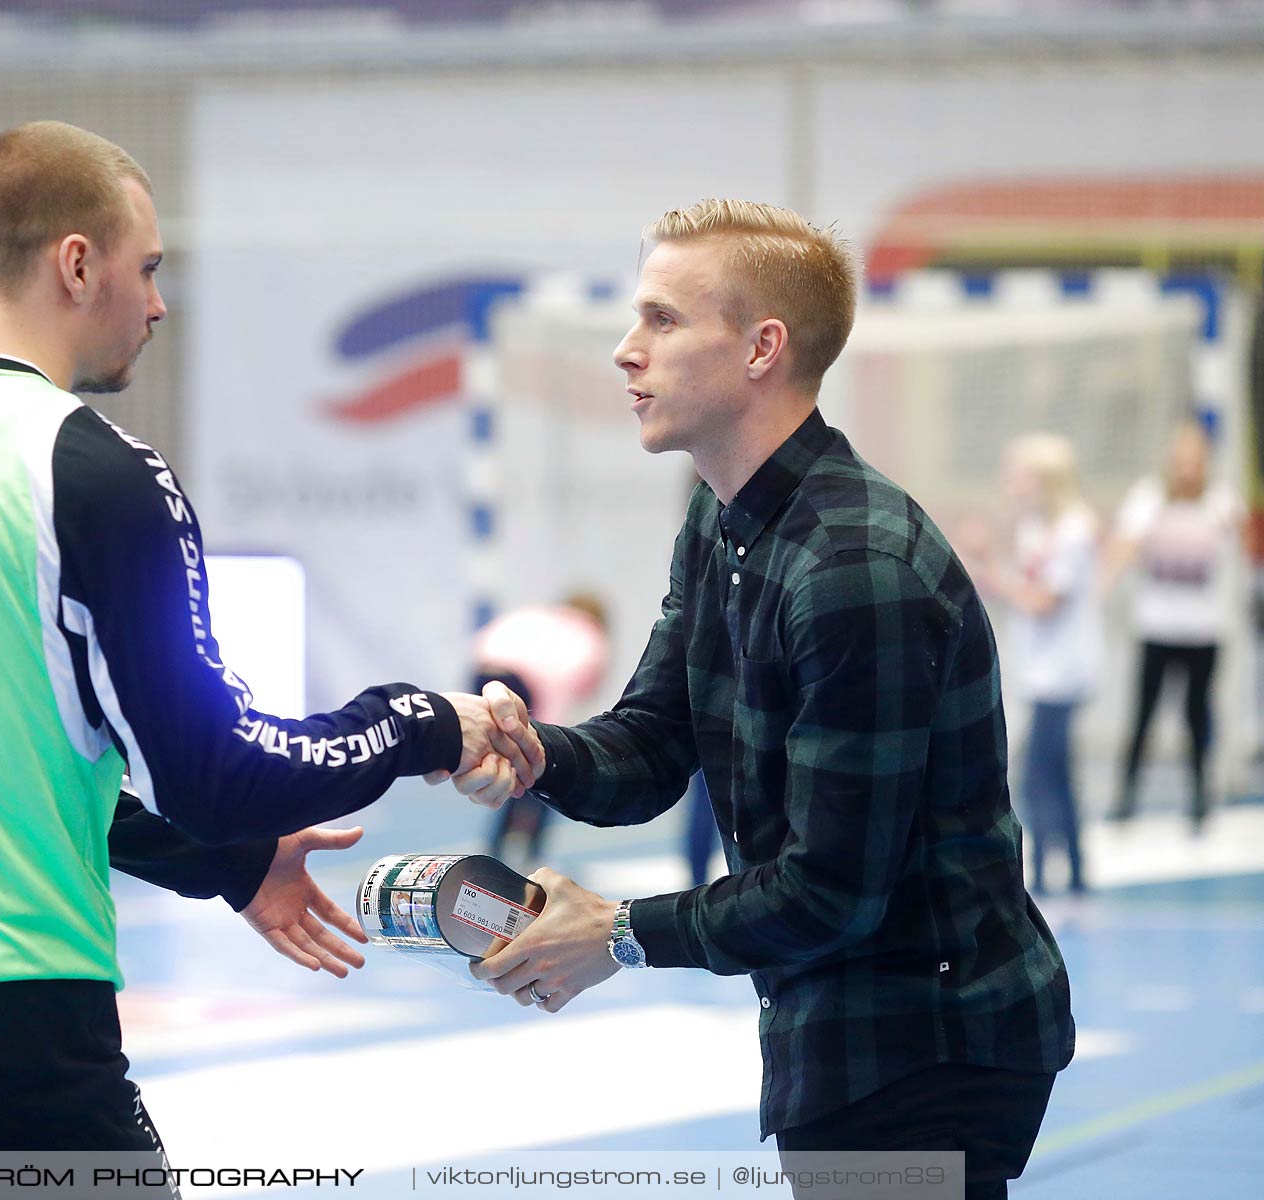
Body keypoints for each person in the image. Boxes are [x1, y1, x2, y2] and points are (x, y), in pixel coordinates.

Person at [0, 121, 541, 1195]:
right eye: (148, 268)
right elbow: (216, 772)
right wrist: (427, 722)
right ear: (78, 262)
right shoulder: (87, 469)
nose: (158, 304)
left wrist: (235, 865)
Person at [446, 200, 1073, 1200]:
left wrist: (612, 932)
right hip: (837, 1030)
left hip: (931, 1043)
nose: (624, 351)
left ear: (760, 349)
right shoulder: (720, 519)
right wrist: (534, 754)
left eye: (661, 320)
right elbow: (653, 743)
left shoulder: (854, 567)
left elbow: (830, 890)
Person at [1106, 421, 1245, 831]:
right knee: (1144, 713)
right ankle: (1126, 795)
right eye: (1180, 461)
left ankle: (1200, 797)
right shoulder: (1148, 500)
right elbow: (1123, 547)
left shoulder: (1222, 503)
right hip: (1157, 628)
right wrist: (1103, 578)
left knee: (1197, 714)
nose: (1186, 469)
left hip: (1203, 631)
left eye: (1194, 461)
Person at [977, 434, 1099, 895]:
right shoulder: (1034, 528)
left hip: (1064, 672)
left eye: (1021, 476)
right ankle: (1074, 869)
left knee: (1037, 774)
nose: (1012, 484)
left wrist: (995, 577)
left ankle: (1050, 872)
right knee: (1056, 773)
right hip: (1040, 669)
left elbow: (1045, 600)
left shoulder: (1074, 530)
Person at [475, 592, 609, 871]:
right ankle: (530, 850)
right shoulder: (590, 638)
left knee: (507, 764)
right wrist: (548, 739)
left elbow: (484, 643)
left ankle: (494, 849)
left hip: (483, 673)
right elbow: (559, 688)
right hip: (522, 685)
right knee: (543, 765)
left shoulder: (540, 616)